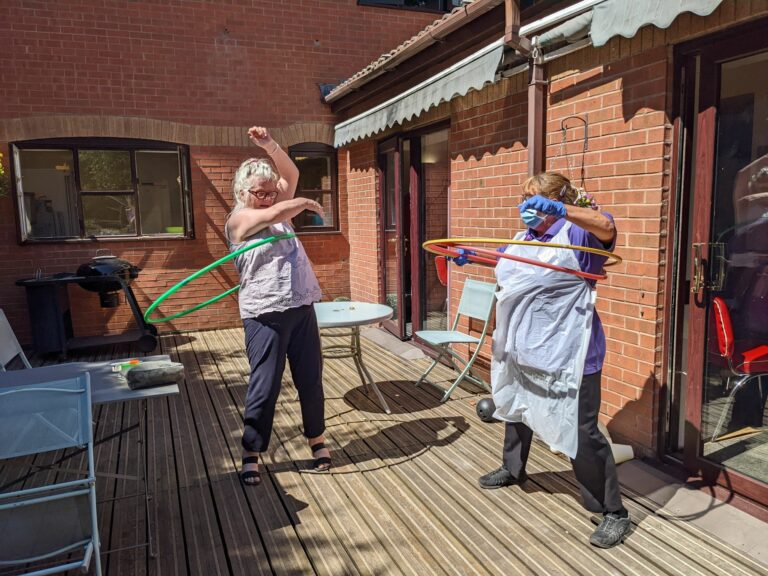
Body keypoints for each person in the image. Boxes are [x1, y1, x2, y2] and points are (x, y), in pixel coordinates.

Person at [478, 172, 630, 548]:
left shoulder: (576, 234)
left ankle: (613, 512)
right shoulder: (523, 238)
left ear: (554, 202)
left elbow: (607, 228)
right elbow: (508, 268)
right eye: (524, 199)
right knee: (517, 407)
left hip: (569, 351)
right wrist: (470, 257)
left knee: (582, 430)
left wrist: (564, 211)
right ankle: (513, 469)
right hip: (526, 346)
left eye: (534, 201)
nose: (525, 207)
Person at [226, 126, 330, 486]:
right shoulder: (239, 219)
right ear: (243, 191)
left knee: (310, 379)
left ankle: (317, 441)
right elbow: (274, 214)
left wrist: (269, 145)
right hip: (264, 314)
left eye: (272, 192)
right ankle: (251, 453)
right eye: (261, 192)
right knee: (265, 385)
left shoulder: (275, 206)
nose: (269, 198)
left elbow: (291, 173)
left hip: (300, 306)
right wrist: (301, 203)